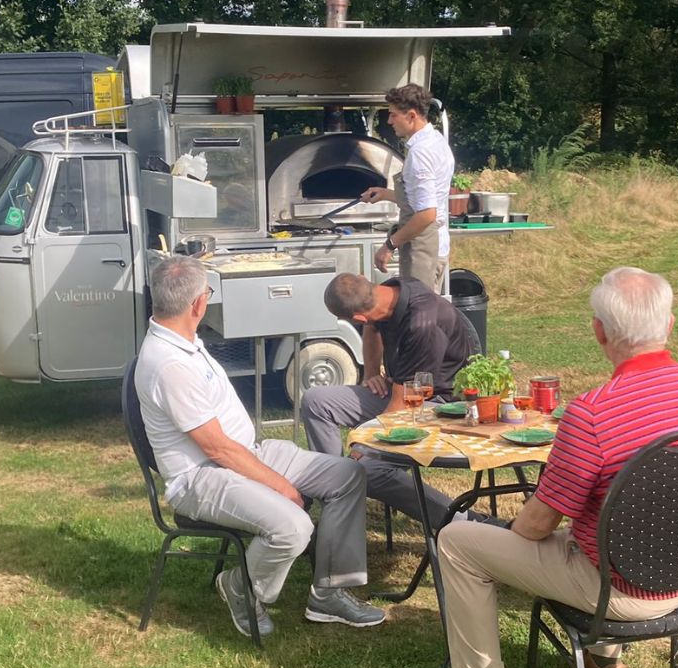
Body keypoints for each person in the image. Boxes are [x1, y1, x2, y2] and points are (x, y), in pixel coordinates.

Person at [415, 267, 678, 668]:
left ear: (599, 331)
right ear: (670, 324)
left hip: (623, 593)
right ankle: (603, 665)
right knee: (605, 527)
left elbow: (537, 525)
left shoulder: (593, 414)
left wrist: (517, 533)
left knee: (459, 540)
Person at [135, 257, 385, 638]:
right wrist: (281, 487)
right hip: (202, 477)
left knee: (348, 475)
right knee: (293, 526)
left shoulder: (182, 341)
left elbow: (229, 448)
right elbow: (217, 450)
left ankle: (329, 592)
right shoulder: (169, 364)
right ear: (198, 305)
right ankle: (241, 587)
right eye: (208, 293)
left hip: (245, 453)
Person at [301, 272, 475, 526]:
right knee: (316, 401)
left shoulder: (421, 324)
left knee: (366, 471)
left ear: (357, 318)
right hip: (400, 393)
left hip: (438, 406)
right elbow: (373, 327)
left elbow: (405, 405)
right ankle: (336, 493)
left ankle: (463, 521)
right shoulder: (388, 291)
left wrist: (363, 447)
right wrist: (371, 372)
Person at [362, 84, 454, 292]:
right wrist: (386, 194)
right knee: (423, 315)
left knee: (419, 318)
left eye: (393, 115)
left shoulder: (420, 154)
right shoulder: (436, 141)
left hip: (422, 248)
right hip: (432, 243)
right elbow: (422, 200)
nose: (389, 121)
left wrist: (389, 246)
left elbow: (426, 214)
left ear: (411, 116)